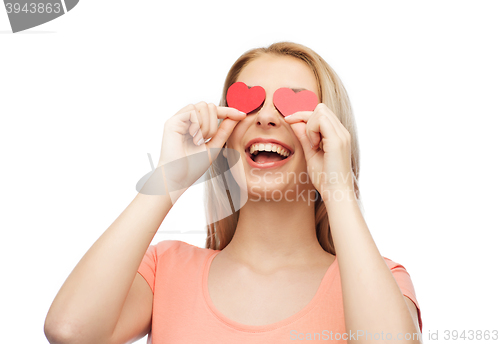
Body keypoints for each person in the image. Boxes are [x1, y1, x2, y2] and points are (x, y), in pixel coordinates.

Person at [44, 41, 422, 344]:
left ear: (328, 136)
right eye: (250, 102)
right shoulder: (165, 270)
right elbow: (71, 331)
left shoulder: (379, 281)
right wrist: (168, 178)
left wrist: (338, 188)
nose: (267, 117)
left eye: (294, 104)